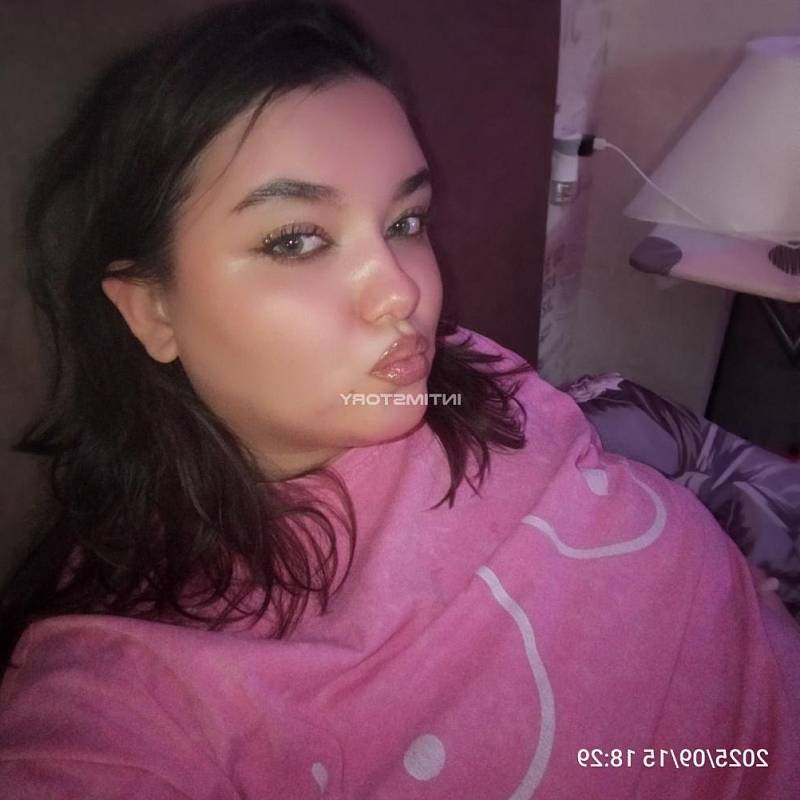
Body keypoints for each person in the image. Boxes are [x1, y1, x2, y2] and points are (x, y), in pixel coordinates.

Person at [0, 1, 798, 797]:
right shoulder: (135, 694)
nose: (401, 293)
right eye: (296, 239)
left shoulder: (463, 368)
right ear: (153, 311)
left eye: (406, 222)